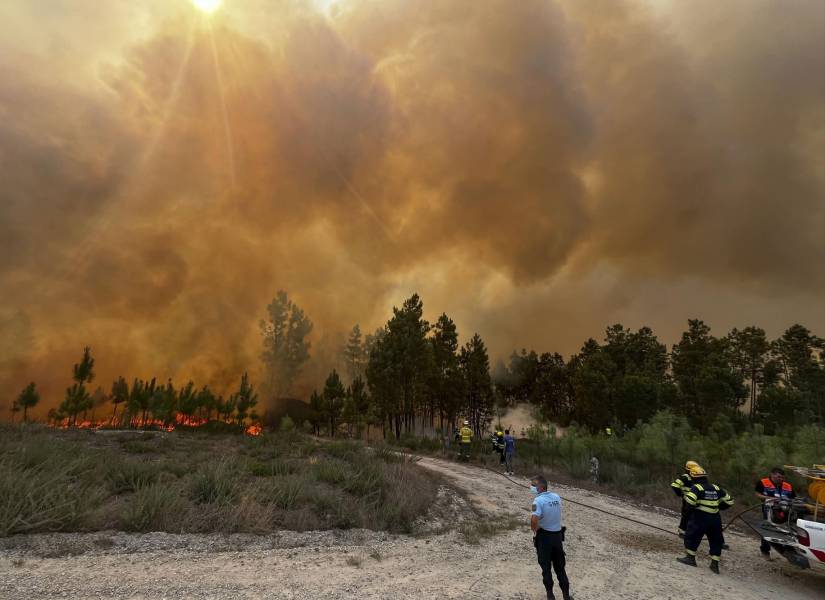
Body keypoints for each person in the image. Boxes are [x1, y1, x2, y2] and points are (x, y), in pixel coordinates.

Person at [676, 465, 734, 574]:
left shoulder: (697, 488)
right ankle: (714, 564)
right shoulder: (716, 488)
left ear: (694, 478)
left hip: (700, 517)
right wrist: (718, 507)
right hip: (715, 519)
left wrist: (689, 513)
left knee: (692, 536)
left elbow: (690, 502)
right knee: (716, 540)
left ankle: (690, 558)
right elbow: (730, 501)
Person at [530, 475, 572, 600]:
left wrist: (535, 529)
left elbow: (534, 520)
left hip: (544, 538)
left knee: (546, 567)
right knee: (560, 568)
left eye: (534, 485)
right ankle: (566, 596)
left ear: (541, 487)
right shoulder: (556, 497)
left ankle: (550, 595)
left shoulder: (537, 501)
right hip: (557, 537)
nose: (532, 487)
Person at [755, 467, 796, 559]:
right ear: (772, 475)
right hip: (768, 509)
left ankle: (789, 549)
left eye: (782, 478)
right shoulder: (763, 482)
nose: (781, 479)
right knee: (767, 528)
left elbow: (794, 498)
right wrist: (768, 498)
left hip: (785, 511)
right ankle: (765, 551)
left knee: (788, 528)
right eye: (779, 477)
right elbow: (757, 494)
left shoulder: (788, 486)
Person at [671, 461, 702, 537]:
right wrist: (681, 494)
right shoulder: (685, 477)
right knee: (686, 515)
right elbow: (674, 485)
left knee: (695, 517)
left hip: (696, 501)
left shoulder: (695, 477)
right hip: (688, 500)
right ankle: (682, 532)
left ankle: (690, 532)